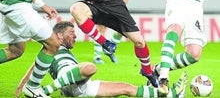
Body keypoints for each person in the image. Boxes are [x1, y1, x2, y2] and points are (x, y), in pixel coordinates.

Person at [15, 21, 187, 97]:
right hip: (68, 78)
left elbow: (34, 67)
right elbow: (35, 64)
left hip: (79, 86)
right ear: (58, 36)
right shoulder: (50, 46)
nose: (75, 37)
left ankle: (170, 94)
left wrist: (21, 87)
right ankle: (44, 93)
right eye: (71, 33)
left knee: (125, 88)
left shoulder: (48, 52)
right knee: (90, 68)